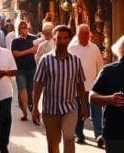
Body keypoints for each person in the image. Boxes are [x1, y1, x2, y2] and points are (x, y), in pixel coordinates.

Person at [32, 25, 89, 153]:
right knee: (53, 143)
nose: (62, 41)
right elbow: (38, 85)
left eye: (65, 38)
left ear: (69, 40)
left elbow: (80, 84)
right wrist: (35, 107)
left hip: (70, 108)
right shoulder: (45, 60)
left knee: (69, 137)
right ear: (54, 39)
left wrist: (84, 104)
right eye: (59, 38)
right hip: (50, 109)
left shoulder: (75, 61)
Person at [68, 24, 105, 146]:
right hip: (77, 87)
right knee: (79, 112)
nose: (84, 35)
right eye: (82, 33)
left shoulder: (94, 48)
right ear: (77, 35)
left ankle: (99, 135)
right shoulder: (71, 49)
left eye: (86, 33)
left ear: (89, 34)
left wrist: (100, 83)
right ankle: (79, 134)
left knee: (96, 112)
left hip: (93, 86)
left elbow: (100, 67)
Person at [10, 20, 39, 121]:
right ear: (18, 30)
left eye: (24, 27)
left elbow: (35, 50)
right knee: (22, 89)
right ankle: (25, 112)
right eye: (21, 28)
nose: (23, 29)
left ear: (27, 29)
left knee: (30, 91)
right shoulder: (15, 41)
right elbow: (15, 54)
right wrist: (28, 51)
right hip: (20, 69)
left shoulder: (33, 39)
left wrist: (24, 52)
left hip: (32, 68)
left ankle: (31, 107)